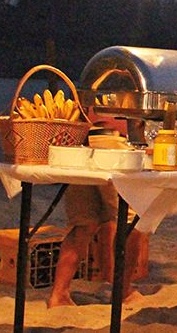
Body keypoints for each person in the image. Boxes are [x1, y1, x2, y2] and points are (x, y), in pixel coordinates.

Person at [48, 115, 148, 307]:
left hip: (81, 138)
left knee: (84, 222)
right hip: (113, 138)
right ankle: (123, 292)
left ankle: (59, 293)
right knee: (131, 221)